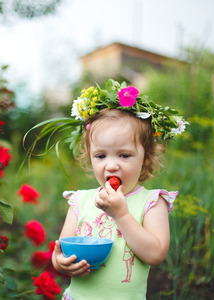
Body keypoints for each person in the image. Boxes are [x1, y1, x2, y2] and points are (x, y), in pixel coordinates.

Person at [30, 79, 188, 299]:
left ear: (146, 157)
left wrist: (121, 214)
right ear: (89, 157)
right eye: (101, 156)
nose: (111, 165)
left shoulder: (152, 202)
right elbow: (63, 248)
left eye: (124, 155)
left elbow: (155, 254)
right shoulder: (80, 201)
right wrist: (60, 263)